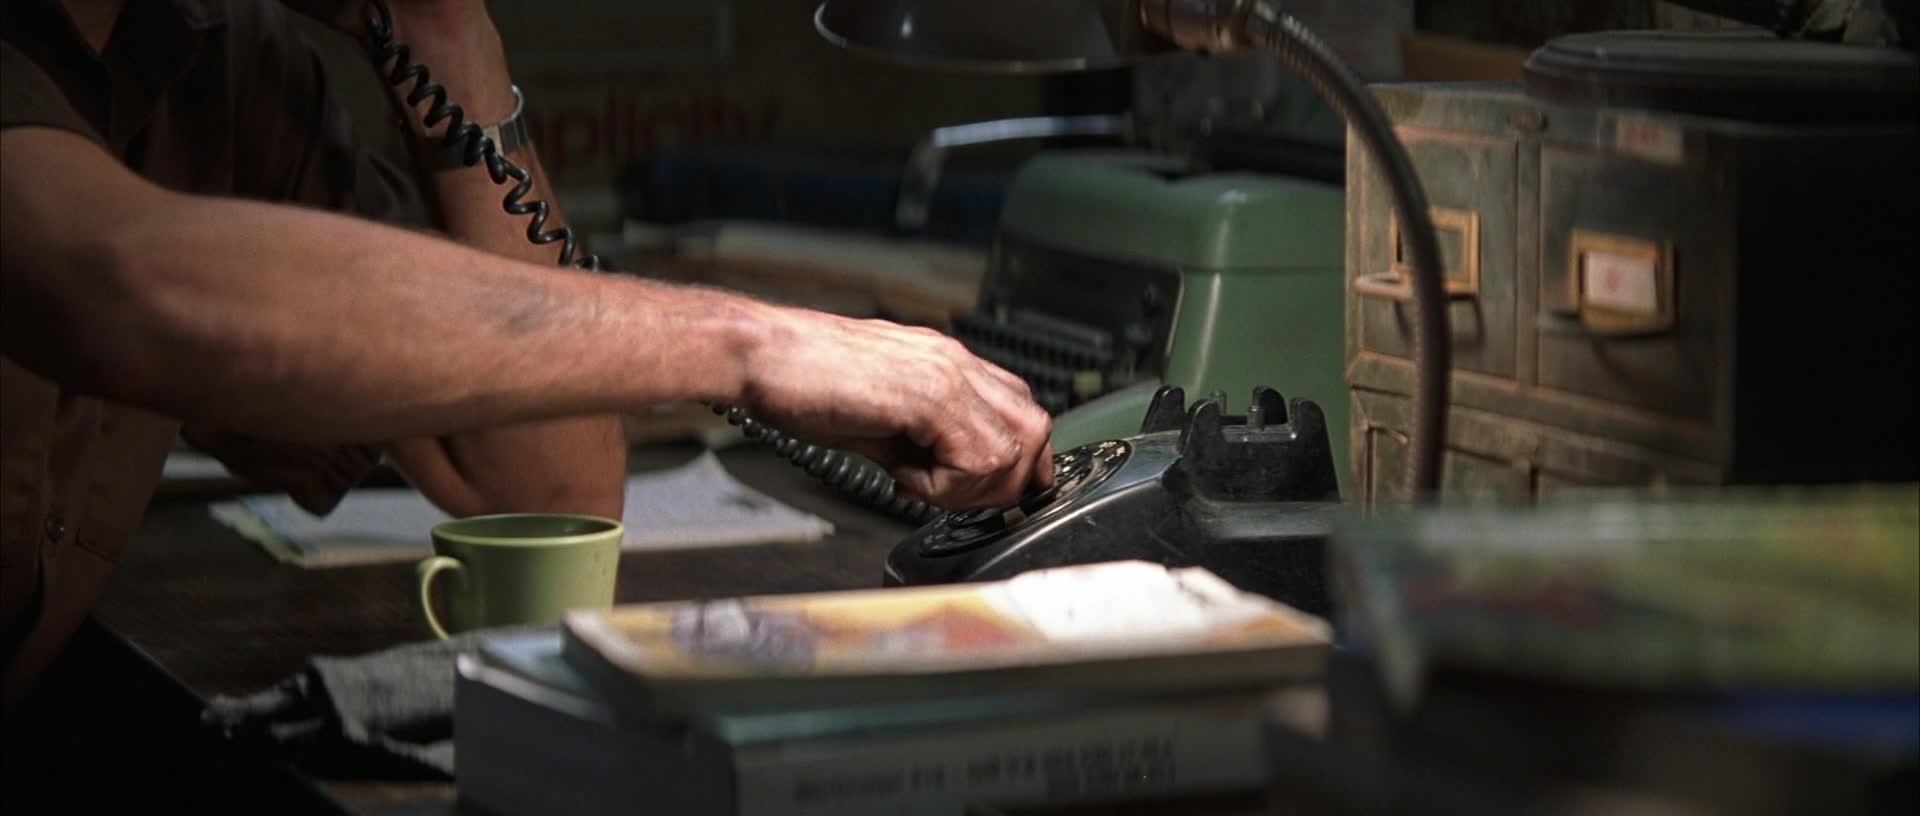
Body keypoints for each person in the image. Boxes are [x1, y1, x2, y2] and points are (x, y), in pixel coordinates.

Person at [0, 0, 1054, 714]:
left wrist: (444, 31)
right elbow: (124, 284)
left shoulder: (214, 63)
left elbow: (545, 493)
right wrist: (755, 342)